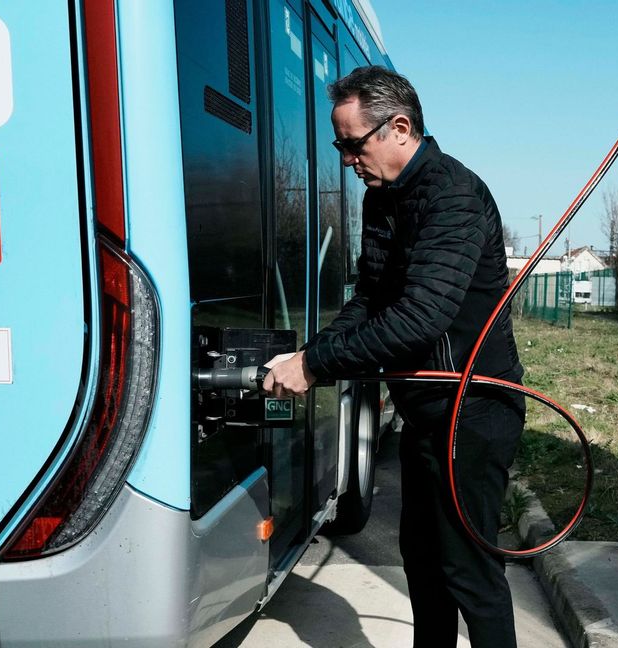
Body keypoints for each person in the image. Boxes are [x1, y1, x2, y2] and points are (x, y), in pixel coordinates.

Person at [262, 66, 526, 648]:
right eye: (340, 146)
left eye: (352, 143)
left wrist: (314, 368)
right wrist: (313, 351)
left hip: (473, 409)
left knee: (469, 573)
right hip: (426, 410)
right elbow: (373, 299)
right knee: (423, 565)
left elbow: (418, 319)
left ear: (399, 127)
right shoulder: (383, 197)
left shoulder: (453, 196)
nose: (347, 159)